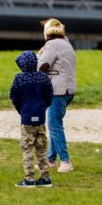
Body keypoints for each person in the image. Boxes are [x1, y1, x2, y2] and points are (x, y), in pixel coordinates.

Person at [9, 51, 55, 188]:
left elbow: (14, 97)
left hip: (27, 117)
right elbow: (49, 96)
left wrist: (21, 110)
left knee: (27, 148)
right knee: (41, 147)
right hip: (40, 117)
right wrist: (43, 107)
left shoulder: (19, 79)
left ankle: (29, 178)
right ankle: (45, 178)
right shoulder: (43, 78)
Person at [38, 18, 77, 172]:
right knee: (55, 123)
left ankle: (66, 161)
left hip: (57, 91)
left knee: (54, 125)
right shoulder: (66, 43)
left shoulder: (52, 45)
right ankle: (51, 159)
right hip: (68, 90)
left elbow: (41, 66)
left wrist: (38, 54)